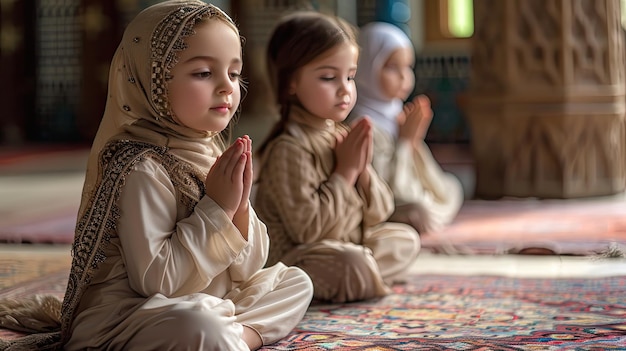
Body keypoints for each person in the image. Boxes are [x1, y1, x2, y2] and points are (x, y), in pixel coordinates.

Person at [0, 1, 313, 350]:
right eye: (203, 73)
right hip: (131, 314)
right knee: (197, 321)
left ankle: (239, 337)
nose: (227, 87)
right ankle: (226, 333)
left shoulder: (211, 152)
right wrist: (219, 209)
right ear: (152, 82)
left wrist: (238, 209)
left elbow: (249, 268)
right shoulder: (141, 166)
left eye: (235, 73)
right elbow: (157, 281)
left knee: (295, 281)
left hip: (203, 297)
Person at [253, 11, 420, 304]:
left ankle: (364, 276)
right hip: (301, 257)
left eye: (351, 76)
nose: (345, 89)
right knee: (350, 263)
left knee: (405, 240)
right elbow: (308, 231)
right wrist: (345, 173)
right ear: (291, 82)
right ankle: (358, 277)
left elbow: (381, 212)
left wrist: (362, 171)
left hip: (347, 242)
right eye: (329, 77)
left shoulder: (341, 135)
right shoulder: (289, 148)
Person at [347, 22, 463, 234]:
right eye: (392, 67)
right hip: (385, 201)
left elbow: (424, 177)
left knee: (453, 187)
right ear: (365, 68)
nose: (404, 77)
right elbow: (393, 191)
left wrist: (414, 141)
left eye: (408, 67)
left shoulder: (394, 113)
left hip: (406, 190)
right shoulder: (361, 123)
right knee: (420, 212)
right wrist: (405, 142)